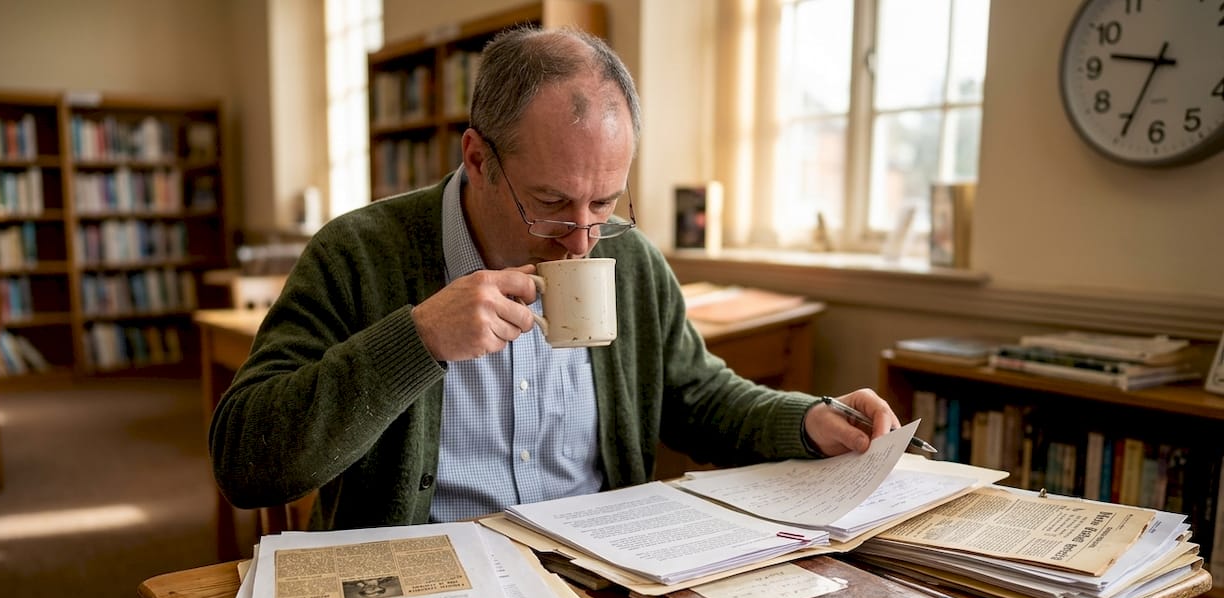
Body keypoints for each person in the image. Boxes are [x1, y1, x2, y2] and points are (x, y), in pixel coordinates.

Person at [209, 26, 901, 531]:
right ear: (477, 159)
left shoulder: (628, 261)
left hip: (597, 576)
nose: (580, 240)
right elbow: (245, 465)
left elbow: (697, 397)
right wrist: (415, 341)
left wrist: (806, 420)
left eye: (604, 204)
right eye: (549, 205)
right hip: (423, 587)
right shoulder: (359, 254)